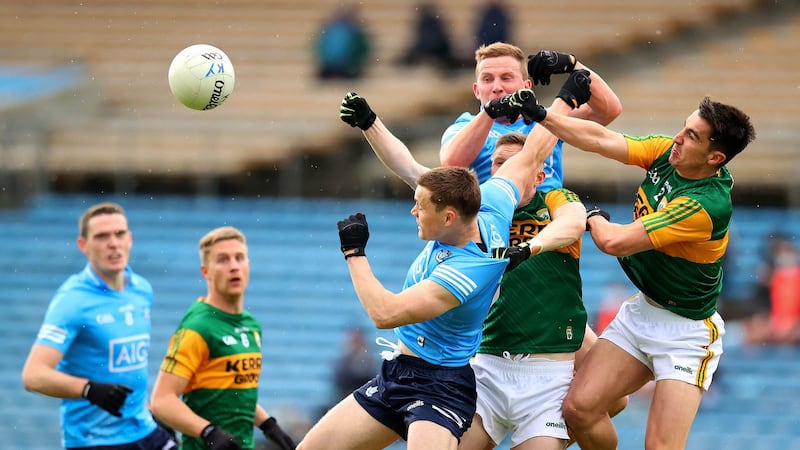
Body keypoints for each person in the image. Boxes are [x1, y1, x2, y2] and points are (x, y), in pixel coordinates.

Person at [297, 74, 589, 450]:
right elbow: (534, 151)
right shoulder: (493, 199)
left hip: (439, 387)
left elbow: (384, 314)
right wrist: (566, 97)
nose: (412, 210)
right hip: (397, 372)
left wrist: (355, 253)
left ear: (449, 217)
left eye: (420, 205)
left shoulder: (470, 268)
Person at [514, 96, 756, 449]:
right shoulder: (666, 154)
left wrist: (589, 214)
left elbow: (616, 243)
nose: (677, 137)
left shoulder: (704, 205)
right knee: (578, 409)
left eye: (691, 135)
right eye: (683, 127)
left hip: (685, 332)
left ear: (714, 158)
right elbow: (599, 139)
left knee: (660, 446)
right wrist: (542, 115)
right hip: (643, 311)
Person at [456, 131, 588, 450]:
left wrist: (529, 248)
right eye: (498, 164)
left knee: (610, 407)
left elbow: (573, 223)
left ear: (540, 175)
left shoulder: (556, 200)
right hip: (488, 368)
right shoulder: (482, 212)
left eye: (515, 163)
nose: (505, 172)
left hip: (547, 377)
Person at [21, 202, 178, 450]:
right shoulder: (72, 300)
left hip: (143, 430)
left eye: (119, 234)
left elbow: (126, 365)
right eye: (102, 236)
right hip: (94, 440)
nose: (113, 243)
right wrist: (88, 389)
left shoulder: (141, 289)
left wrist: (148, 410)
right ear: (83, 245)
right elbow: (33, 375)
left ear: (130, 239)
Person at [149, 226, 294, 450]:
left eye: (239, 258)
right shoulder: (198, 327)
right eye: (223, 260)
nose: (234, 266)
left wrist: (267, 423)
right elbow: (161, 401)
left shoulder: (251, 325)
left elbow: (232, 390)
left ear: (249, 265)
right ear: (205, 271)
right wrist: (208, 432)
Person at [440, 42, 622, 192]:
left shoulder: (551, 118)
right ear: (476, 90)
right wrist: (490, 112)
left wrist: (573, 64)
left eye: (506, 78)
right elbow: (452, 161)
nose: (496, 87)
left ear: (526, 86)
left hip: (546, 221)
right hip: (496, 224)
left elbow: (609, 110)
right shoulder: (463, 125)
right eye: (487, 79)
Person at [397, 2, 459, 72]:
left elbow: (429, 42)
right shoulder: (435, 23)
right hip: (437, 51)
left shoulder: (427, 23)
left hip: (434, 51)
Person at [314, 3, 371, 80]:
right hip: (329, 67)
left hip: (348, 68)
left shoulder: (357, 32)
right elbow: (319, 48)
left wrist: (355, 63)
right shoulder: (328, 31)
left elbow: (363, 50)